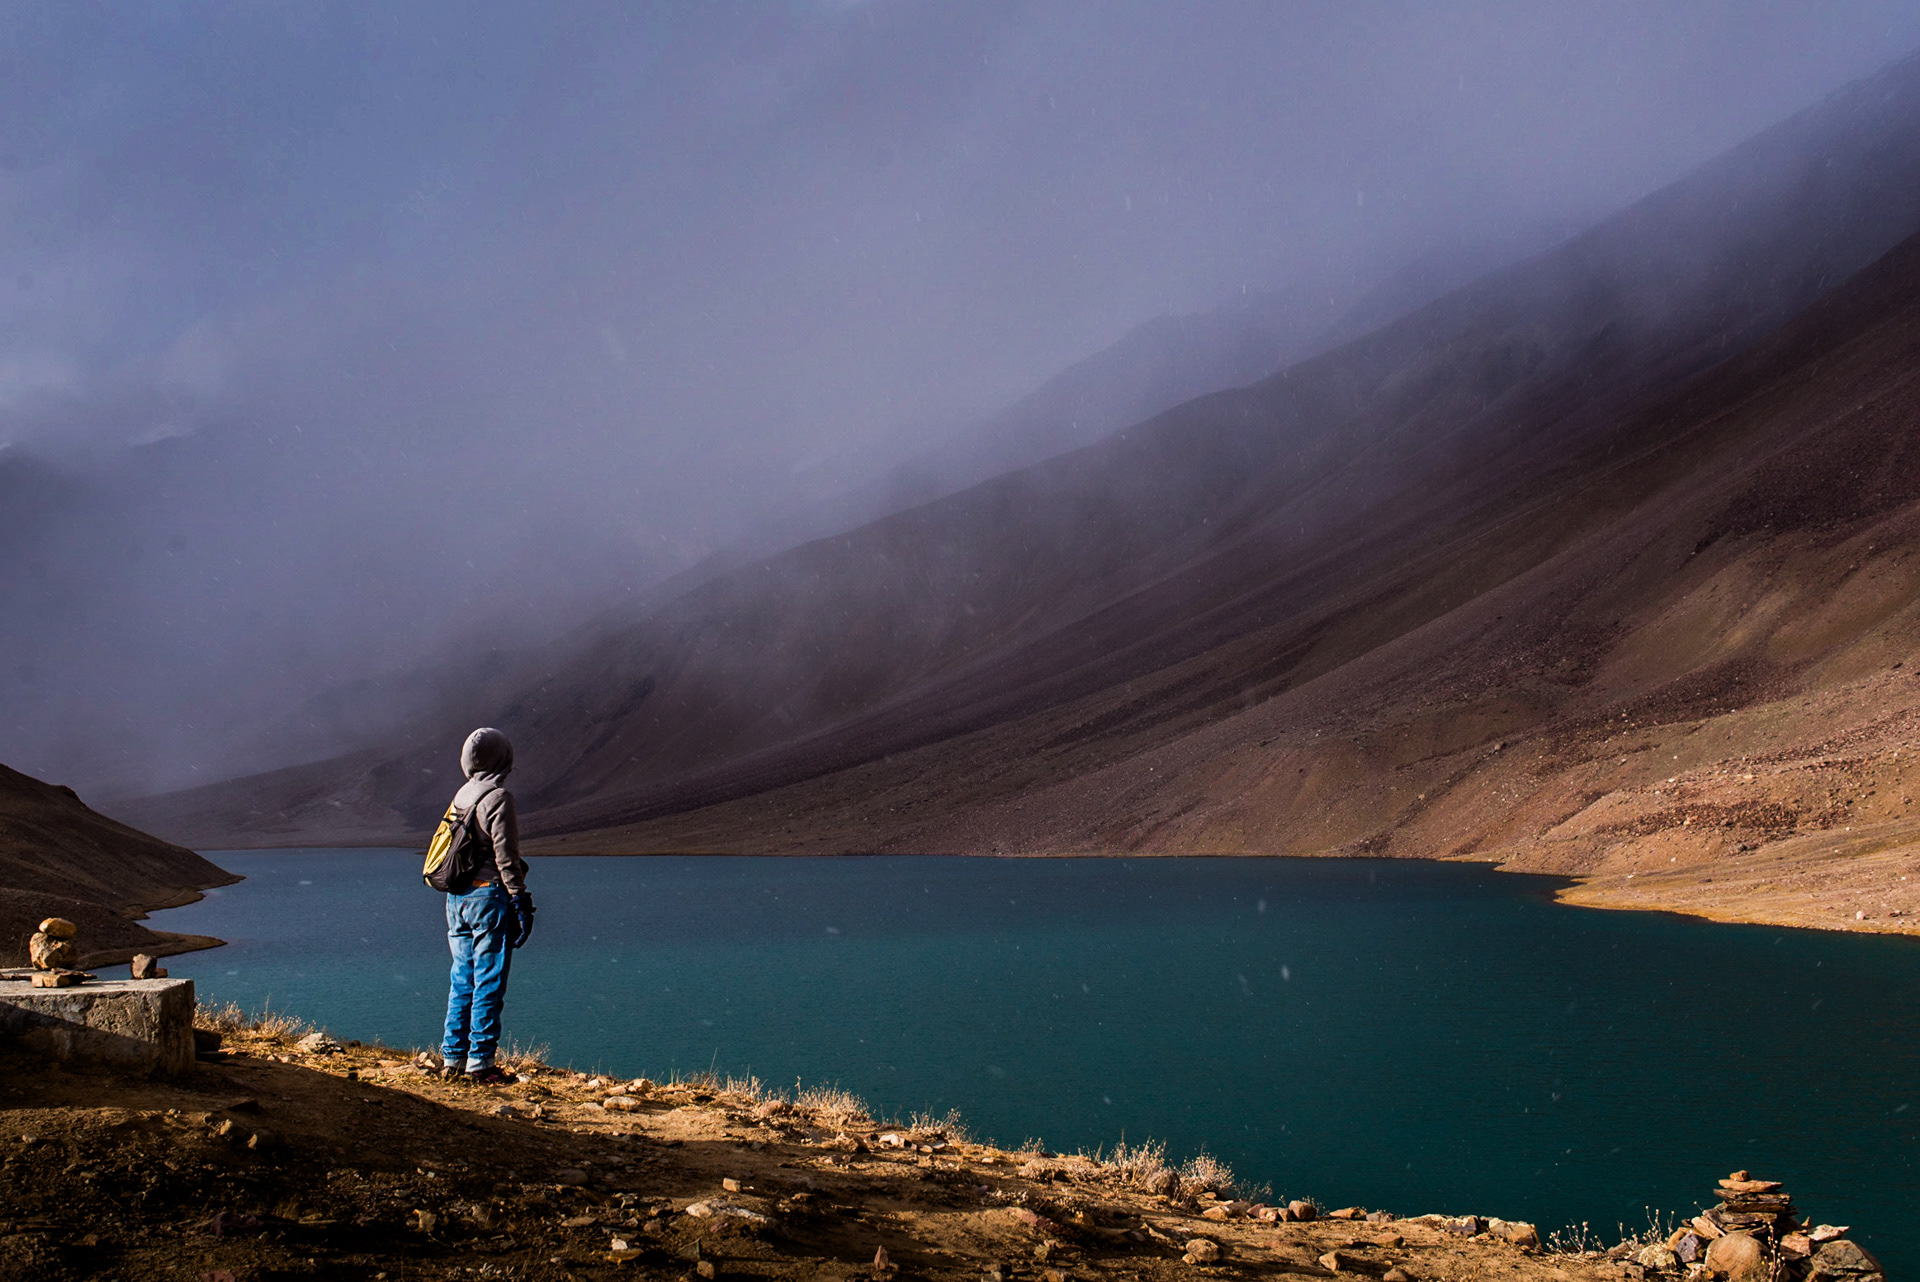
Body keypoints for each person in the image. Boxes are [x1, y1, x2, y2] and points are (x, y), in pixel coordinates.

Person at [439, 726, 536, 1084]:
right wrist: (520, 899)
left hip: (456, 898)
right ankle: (481, 1063)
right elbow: (505, 857)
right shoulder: (498, 797)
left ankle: (453, 1058)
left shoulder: (462, 794)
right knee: (489, 981)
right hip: (487, 896)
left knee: (462, 977)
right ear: (503, 758)